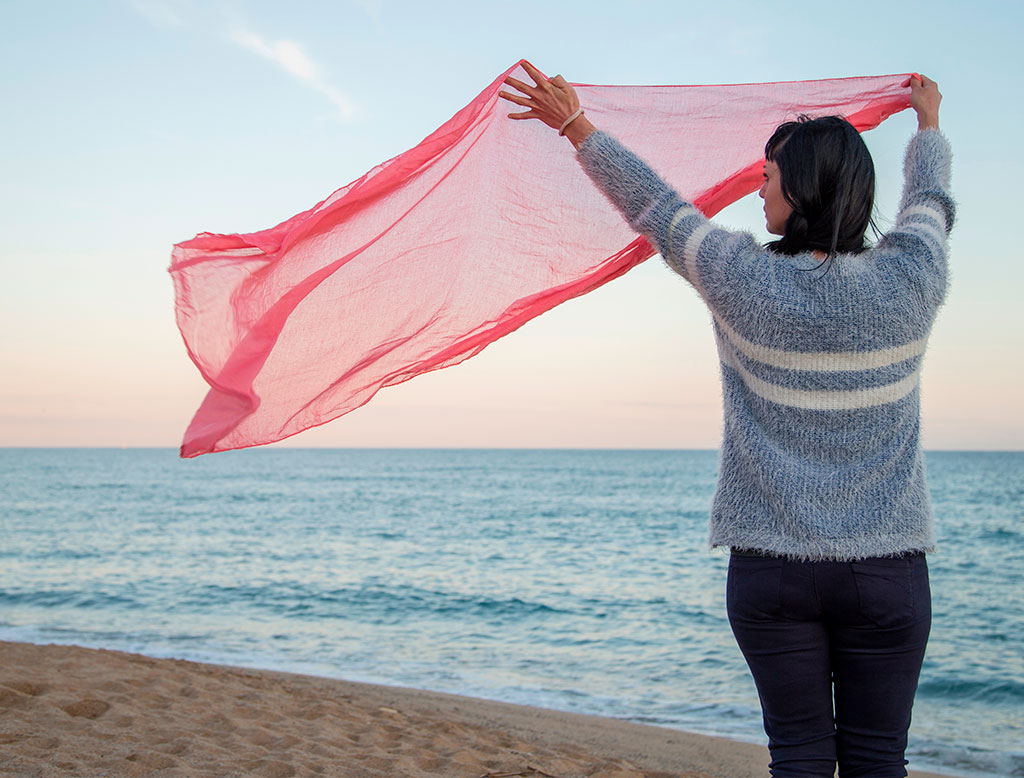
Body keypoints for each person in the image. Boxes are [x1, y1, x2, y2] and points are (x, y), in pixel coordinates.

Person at [499, 62, 952, 778]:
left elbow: (656, 208)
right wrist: (928, 125)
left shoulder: (742, 277)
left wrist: (577, 128)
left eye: (770, 175)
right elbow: (930, 202)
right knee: (876, 761)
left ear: (799, 188)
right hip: (885, 573)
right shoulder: (912, 278)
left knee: (799, 759)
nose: (760, 186)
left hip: (771, 572)